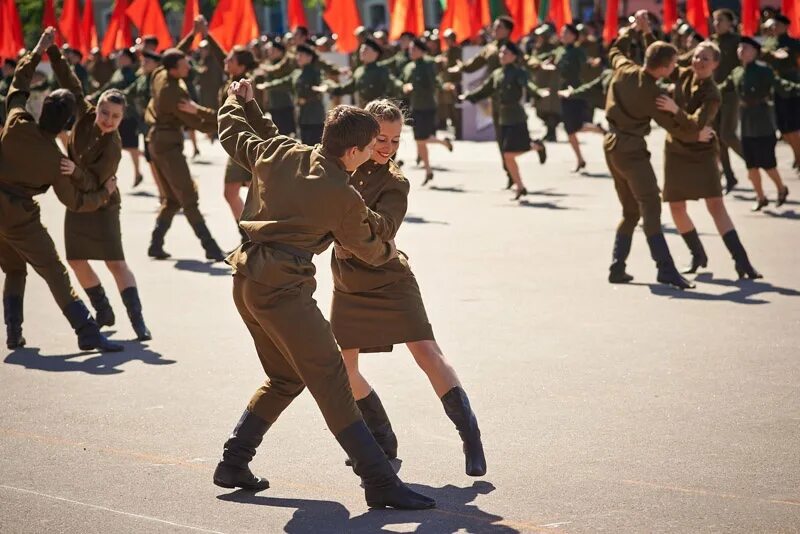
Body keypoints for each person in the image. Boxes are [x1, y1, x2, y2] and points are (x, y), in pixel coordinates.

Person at [214, 79, 435, 510]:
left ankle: (233, 462)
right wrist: (392, 248)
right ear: (352, 152)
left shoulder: (282, 151)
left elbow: (232, 131)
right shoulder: (342, 195)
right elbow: (371, 250)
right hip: (282, 291)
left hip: (245, 281)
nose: (376, 153)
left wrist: (235, 100)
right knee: (332, 378)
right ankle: (379, 480)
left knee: (286, 377)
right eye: (371, 146)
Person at [330, 99, 486, 477]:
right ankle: (382, 440)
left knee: (427, 352)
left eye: (396, 140)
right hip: (348, 279)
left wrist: (343, 204)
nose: (387, 148)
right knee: (343, 368)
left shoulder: (396, 182)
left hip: (389, 277)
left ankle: (471, 438)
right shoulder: (340, 167)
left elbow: (383, 229)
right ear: (363, 137)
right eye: (380, 139)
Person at [0, 28, 122, 352]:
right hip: (18, 217)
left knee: (13, 268)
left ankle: (13, 332)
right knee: (54, 271)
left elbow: (18, 85)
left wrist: (39, 50)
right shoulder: (57, 162)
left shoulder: (16, 121)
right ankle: (87, 331)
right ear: (67, 125)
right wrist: (105, 192)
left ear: (42, 110)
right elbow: (77, 202)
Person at [48, 45, 152, 340]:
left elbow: (98, 184)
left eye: (115, 117)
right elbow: (71, 83)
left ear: (122, 119)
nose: (107, 120)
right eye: (105, 113)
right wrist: (53, 53)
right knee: (76, 260)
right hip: (78, 202)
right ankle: (103, 309)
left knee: (115, 262)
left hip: (104, 203)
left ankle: (138, 322)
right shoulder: (85, 112)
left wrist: (73, 170)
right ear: (98, 108)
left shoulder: (114, 146)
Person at [603, 13, 714, 289]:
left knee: (630, 211)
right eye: (674, 64)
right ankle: (665, 268)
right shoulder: (655, 95)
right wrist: (695, 130)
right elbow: (677, 128)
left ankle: (617, 267)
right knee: (650, 205)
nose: (676, 67)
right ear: (664, 68)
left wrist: (632, 29)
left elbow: (615, 50)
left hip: (611, 147)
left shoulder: (624, 69)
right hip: (631, 151)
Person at [654, 41, 761, 280]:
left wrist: (674, 109)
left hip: (702, 151)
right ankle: (697, 254)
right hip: (676, 149)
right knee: (676, 205)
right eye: (697, 56)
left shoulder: (712, 93)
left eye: (706, 59)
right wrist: (646, 31)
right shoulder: (683, 74)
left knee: (715, 205)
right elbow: (659, 56)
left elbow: (698, 124)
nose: (699, 62)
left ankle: (742, 262)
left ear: (715, 64)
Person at [144, 48, 226, 261]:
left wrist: (192, 34)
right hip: (168, 146)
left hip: (157, 142)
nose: (189, 66)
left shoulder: (160, 73)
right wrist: (214, 116)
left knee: (172, 199)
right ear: (173, 69)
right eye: (184, 65)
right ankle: (210, 246)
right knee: (188, 197)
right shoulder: (175, 94)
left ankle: (155, 243)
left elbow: (173, 53)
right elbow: (198, 124)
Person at [718, 36, 799, 211]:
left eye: (746, 47)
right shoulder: (736, 72)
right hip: (746, 123)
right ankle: (760, 197)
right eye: (740, 47)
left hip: (763, 122)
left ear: (755, 52)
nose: (741, 50)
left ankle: (781, 188)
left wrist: (796, 88)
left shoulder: (764, 71)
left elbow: (781, 86)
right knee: (751, 166)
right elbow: (722, 89)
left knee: (768, 164)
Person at [461, 43, 547, 200]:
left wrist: (538, 92)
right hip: (503, 117)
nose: (501, 55)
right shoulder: (497, 73)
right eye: (500, 52)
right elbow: (485, 89)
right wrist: (468, 96)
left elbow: (528, 85)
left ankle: (535, 148)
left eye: (505, 52)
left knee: (509, 153)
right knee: (508, 154)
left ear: (514, 56)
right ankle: (520, 185)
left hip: (516, 116)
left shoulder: (519, 72)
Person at [450, 16, 515, 188]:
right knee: (501, 137)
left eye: (499, 27)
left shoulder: (512, 48)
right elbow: (476, 62)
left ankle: (533, 148)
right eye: (494, 26)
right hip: (495, 97)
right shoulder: (490, 48)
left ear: (508, 30)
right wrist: (462, 67)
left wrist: (538, 65)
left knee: (515, 135)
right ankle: (509, 172)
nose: (495, 29)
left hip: (512, 98)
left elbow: (528, 61)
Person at [532, 23, 591, 172]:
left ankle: (600, 131)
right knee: (570, 128)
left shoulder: (578, 52)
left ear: (573, 36)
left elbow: (586, 68)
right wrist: (544, 64)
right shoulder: (559, 50)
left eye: (566, 33)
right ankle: (580, 159)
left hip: (574, 91)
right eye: (562, 32)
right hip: (562, 92)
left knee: (574, 127)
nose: (563, 35)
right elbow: (547, 59)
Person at [401, 38, 454, 185]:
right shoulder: (409, 66)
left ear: (421, 51)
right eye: (410, 49)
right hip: (415, 105)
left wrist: (443, 87)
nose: (411, 52)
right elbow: (403, 80)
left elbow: (433, 83)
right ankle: (428, 170)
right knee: (419, 141)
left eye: (414, 49)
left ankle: (443, 142)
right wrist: (405, 86)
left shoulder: (428, 65)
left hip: (427, 106)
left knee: (421, 139)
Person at [89, 48, 141, 186]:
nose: (120, 59)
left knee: (131, 145)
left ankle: (137, 172)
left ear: (130, 60)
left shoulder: (131, 74)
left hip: (127, 114)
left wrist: (118, 97)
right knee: (119, 144)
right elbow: (108, 88)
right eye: (120, 57)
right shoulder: (118, 72)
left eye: (124, 57)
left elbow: (130, 92)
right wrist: (94, 97)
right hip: (116, 115)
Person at [257, 44, 326, 146]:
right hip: (302, 115)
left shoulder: (315, 72)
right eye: (297, 55)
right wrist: (267, 85)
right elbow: (283, 82)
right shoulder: (296, 73)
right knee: (305, 144)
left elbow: (323, 83)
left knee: (317, 144)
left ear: (309, 57)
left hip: (315, 115)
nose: (298, 57)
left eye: (301, 55)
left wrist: (322, 88)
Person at [710, 9, 745, 193]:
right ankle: (730, 177)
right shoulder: (712, 41)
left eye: (720, 20)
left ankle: (753, 161)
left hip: (731, 94)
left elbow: (740, 67)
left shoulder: (736, 41)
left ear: (730, 22)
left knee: (727, 134)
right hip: (714, 94)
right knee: (718, 139)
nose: (716, 23)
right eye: (715, 20)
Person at [761, 14, 800, 171]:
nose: (773, 28)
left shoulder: (792, 43)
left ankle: (798, 158)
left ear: (785, 26)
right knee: (783, 129)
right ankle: (798, 155)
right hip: (776, 87)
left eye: (776, 25)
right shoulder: (770, 43)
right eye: (772, 26)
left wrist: (769, 54)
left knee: (792, 126)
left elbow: (781, 58)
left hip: (791, 86)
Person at [322, 38, 401, 107]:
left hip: (378, 113)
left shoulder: (382, 70)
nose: (362, 51)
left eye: (366, 49)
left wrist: (403, 87)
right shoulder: (359, 71)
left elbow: (393, 84)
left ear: (376, 53)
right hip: (363, 111)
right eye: (361, 49)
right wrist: (330, 87)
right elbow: (348, 88)